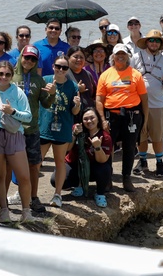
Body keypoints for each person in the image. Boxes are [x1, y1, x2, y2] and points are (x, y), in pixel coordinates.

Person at [0, 60, 35, 223]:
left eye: (7, 74)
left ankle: (26, 211)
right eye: (0, 74)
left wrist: (12, 111)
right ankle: (4, 210)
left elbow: (28, 117)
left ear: (12, 76)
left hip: (14, 135)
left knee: (23, 177)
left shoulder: (18, 92)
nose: (3, 77)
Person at [96, 44, 148, 192]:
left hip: (131, 116)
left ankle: (126, 177)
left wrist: (145, 120)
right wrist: (102, 120)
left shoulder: (135, 75)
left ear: (128, 56)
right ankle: (108, 179)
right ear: (112, 56)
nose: (120, 56)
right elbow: (99, 100)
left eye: (123, 54)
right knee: (108, 147)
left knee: (130, 147)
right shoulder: (105, 75)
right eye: (118, 54)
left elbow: (144, 99)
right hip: (111, 116)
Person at [11, 45, 52, 216]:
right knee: (8, 166)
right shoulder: (10, 76)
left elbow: (46, 103)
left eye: (33, 59)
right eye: (26, 57)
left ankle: (33, 198)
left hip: (32, 130)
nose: (29, 61)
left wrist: (53, 93)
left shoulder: (38, 80)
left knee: (34, 166)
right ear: (21, 57)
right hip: (13, 130)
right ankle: (3, 200)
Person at [39, 55, 81, 207]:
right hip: (43, 127)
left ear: (68, 70)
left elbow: (75, 112)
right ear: (53, 66)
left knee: (60, 162)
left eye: (64, 68)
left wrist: (77, 105)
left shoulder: (72, 86)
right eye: (58, 66)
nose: (61, 70)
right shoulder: (45, 80)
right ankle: (30, 193)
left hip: (62, 129)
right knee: (36, 162)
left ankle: (57, 195)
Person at [132, 30, 163, 175]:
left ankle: (159, 162)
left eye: (157, 41)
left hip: (157, 104)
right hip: (138, 104)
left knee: (157, 136)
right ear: (146, 42)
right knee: (141, 135)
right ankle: (143, 161)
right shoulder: (136, 57)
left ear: (160, 44)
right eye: (151, 40)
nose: (154, 43)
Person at [65, 107, 113, 208]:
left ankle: (100, 194)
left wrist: (97, 147)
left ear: (98, 119)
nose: (89, 121)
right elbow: (68, 148)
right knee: (56, 181)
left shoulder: (105, 136)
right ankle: (79, 185)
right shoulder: (77, 128)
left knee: (105, 168)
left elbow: (102, 160)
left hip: (95, 168)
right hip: (76, 165)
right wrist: (74, 134)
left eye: (92, 118)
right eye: (85, 119)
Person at [66, 45, 96, 115]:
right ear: (68, 58)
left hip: (88, 115)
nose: (79, 60)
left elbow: (94, 94)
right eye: (75, 57)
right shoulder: (65, 73)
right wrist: (77, 89)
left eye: (81, 57)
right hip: (71, 114)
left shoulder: (88, 74)